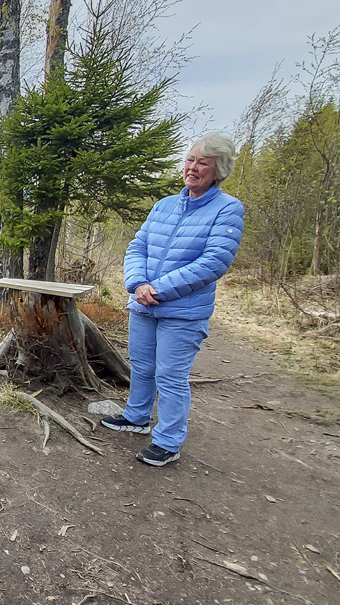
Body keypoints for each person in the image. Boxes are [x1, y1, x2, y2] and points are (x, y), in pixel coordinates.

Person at [101, 132, 244, 466]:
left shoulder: (228, 209)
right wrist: (137, 283)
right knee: (142, 366)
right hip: (143, 305)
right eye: (190, 160)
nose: (192, 168)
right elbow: (138, 246)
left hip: (183, 312)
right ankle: (136, 417)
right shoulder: (164, 205)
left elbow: (214, 262)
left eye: (202, 163)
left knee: (170, 376)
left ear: (218, 170)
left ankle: (168, 441)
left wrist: (157, 289)